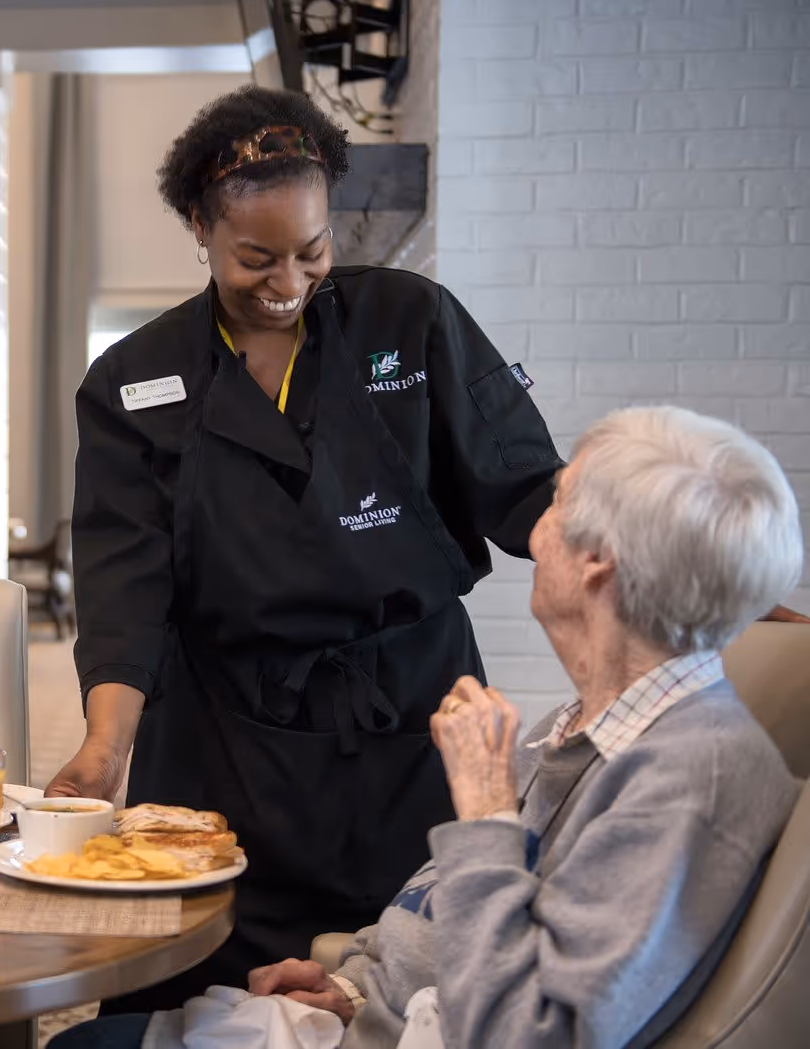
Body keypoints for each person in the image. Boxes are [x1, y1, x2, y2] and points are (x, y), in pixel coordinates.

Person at [53, 406, 803, 1049]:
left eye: (558, 501)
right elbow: (465, 914)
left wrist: (484, 807)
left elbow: (523, 1032)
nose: (535, 526)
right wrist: (355, 983)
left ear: (597, 564)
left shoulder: (689, 776)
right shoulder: (592, 724)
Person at [48, 85, 562, 1008]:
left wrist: (681, 575)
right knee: (200, 992)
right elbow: (127, 587)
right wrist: (102, 747)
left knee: (406, 992)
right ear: (199, 228)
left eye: (312, 250)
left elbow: (528, 487)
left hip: (408, 722)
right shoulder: (134, 380)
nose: (288, 281)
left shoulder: (411, 320)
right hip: (225, 749)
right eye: (255, 257)